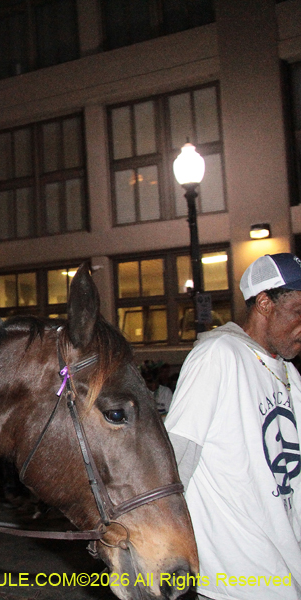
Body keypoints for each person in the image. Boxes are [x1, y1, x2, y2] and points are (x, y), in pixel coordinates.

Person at [165, 253, 301, 599]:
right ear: (265, 304)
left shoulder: (288, 372)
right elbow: (175, 460)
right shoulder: (218, 356)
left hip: (286, 569)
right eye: (298, 311)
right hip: (235, 577)